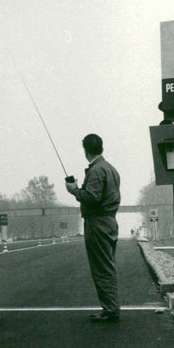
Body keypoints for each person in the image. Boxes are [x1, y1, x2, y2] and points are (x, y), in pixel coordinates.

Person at [65, 133, 121, 322]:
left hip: (98, 224)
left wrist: (75, 191)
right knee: (107, 266)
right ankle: (110, 308)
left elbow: (92, 197)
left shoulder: (96, 170)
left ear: (85, 150)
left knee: (101, 268)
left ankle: (110, 309)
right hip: (110, 222)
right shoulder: (111, 169)